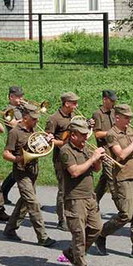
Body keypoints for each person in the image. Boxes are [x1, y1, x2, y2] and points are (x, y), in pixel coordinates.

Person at [94, 104, 133, 260]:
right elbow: (121, 155)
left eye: (130, 117)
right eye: (126, 117)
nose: (129, 120)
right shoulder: (111, 134)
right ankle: (101, 233)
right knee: (125, 215)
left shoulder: (130, 131)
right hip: (121, 178)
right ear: (117, 117)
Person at [3, 103, 56, 247]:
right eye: (34, 119)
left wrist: (48, 140)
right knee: (32, 202)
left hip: (33, 170)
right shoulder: (15, 132)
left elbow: (39, 147)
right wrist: (17, 159)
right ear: (25, 118)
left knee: (24, 202)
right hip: (21, 172)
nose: (37, 121)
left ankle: (10, 229)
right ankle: (43, 237)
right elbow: (6, 154)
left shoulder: (33, 130)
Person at [60, 120, 105, 266]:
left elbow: (97, 169)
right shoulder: (66, 151)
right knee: (79, 234)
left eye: (87, 134)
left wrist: (98, 159)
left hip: (89, 196)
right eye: (83, 135)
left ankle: (72, 253)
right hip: (75, 198)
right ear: (73, 135)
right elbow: (75, 172)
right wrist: (92, 158)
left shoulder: (85, 148)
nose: (86, 138)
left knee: (96, 228)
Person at [45, 91, 79, 231]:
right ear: (66, 104)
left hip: (75, 155)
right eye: (74, 103)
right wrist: (64, 143)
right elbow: (48, 141)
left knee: (74, 187)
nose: (76, 106)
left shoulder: (73, 117)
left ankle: (73, 215)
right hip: (61, 158)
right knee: (63, 189)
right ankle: (61, 219)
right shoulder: (54, 119)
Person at [0, 85, 24, 205]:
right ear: (11, 97)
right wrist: (25, 120)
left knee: (18, 170)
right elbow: (13, 124)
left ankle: (2, 191)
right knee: (20, 168)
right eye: (18, 97)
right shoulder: (8, 110)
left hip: (25, 140)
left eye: (22, 96)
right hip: (14, 142)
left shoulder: (22, 108)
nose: (21, 98)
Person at [92, 89, 117, 203]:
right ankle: (123, 208)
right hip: (105, 149)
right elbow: (97, 134)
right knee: (112, 179)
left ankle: (92, 202)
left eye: (114, 101)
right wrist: (111, 133)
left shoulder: (114, 111)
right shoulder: (98, 114)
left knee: (104, 180)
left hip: (115, 148)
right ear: (104, 100)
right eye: (111, 101)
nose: (113, 103)